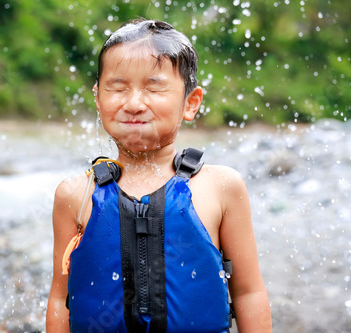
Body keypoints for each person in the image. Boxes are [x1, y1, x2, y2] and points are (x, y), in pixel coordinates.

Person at [46, 18, 271, 333]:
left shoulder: (221, 188)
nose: (134, 103)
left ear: (190, 103)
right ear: (98, 99)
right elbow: (60, 298)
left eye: (154, 87)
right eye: (118, 87)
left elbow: (249, 292)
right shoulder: (75, 195)